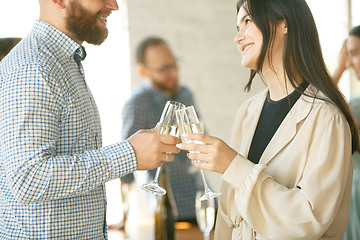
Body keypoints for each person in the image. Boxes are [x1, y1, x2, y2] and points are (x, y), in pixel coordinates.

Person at [177, 0, 359, 239]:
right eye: (237, 28)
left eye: (248, 22)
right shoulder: (247, 112)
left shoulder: (326, 118)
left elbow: (308, 220)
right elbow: (228, 217)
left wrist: (232, 165)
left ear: (283, 23)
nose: (238, 38)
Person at [0, 0, 181, 239]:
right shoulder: (35, 67)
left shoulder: (60, 62)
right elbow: (29, 178)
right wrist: (130, 155)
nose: (113, 5)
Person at [112, 36, 203, 229]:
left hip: (200, 199)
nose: (173, 73)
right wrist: (124, 217)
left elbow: (199, 140)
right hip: (169, 211)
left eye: (173, 65)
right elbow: (126, 163)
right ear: (143, 71)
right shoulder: (137, 103)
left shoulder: (185, 94)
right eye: (163, 69)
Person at [333, 25, 360, 240]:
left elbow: (318, 101)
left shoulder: (354, 109)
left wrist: (339, 70)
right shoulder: (355, 104)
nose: (350, 63)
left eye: (355, 54)